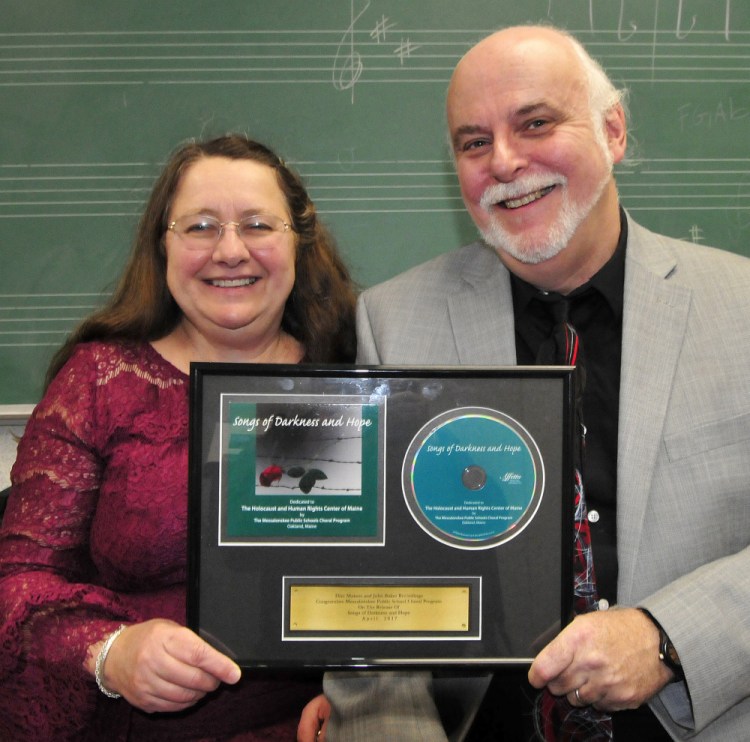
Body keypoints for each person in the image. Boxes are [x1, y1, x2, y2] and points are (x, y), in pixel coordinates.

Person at [305, 24, 750, 742]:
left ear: (613, 132)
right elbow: (367, 593)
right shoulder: (393, 321)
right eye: (473, 142)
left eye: (535, 123)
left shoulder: (743, 308)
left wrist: (669, 639)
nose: (505, 162)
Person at [0, 133, 357, 741]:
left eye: (256, 225)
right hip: (136, 725)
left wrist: (354, 699)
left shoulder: (356, 378)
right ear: (161, 247)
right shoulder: (99, 383)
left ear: (298, 243)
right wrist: (110, 652)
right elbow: (18, 581)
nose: (230, 250)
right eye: (199, 226)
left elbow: (402, 577)